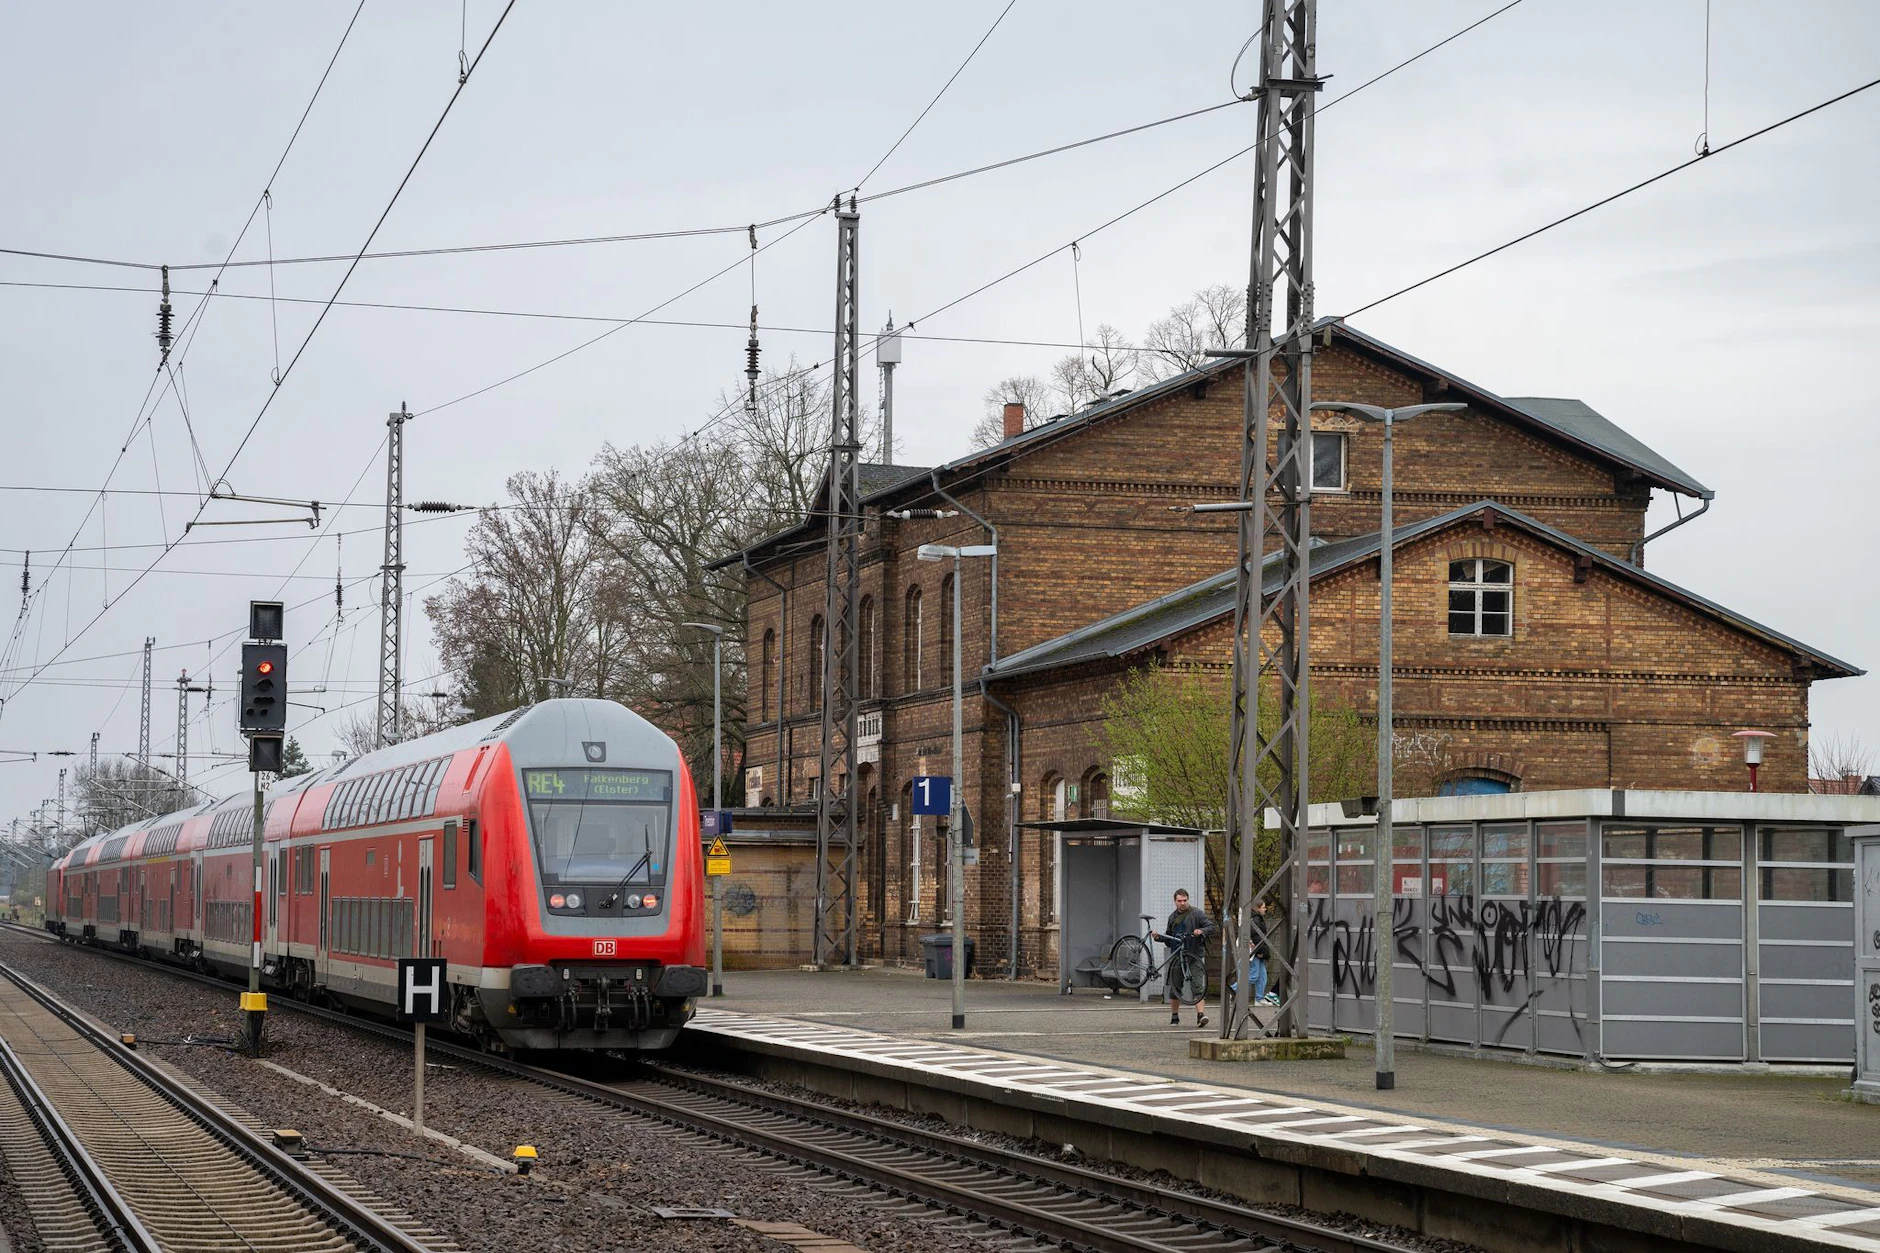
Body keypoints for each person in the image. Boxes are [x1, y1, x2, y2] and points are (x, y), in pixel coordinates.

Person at [1151, 888, 1214, 1029]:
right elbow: (1169, 939)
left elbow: (1211, 926)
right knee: (1174, 988)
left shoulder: (1196, 914)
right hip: (1177, 957)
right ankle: (1174, 1016)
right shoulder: (1172, 917)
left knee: (1197, 986)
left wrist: (1201, 931)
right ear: (1175, 902)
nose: (1182, 903)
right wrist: (1158, 938)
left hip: (1194, 955)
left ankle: (1201, 1015)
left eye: (1185, 900)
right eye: (1179, 901)